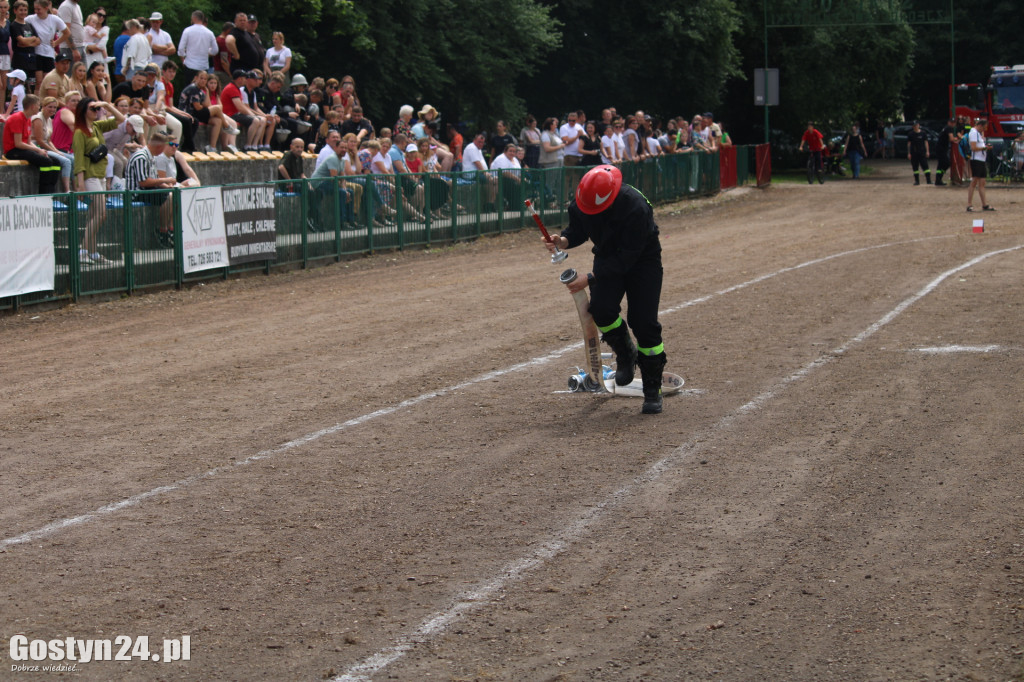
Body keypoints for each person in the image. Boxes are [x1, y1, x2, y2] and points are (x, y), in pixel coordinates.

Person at [543, 165, 666, 414]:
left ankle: (653, 388)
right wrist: (563, 240)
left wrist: (589, 278)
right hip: (607, 256)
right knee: (601, 309)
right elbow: (579, 229)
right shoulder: (583, 201)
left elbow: (628, 258)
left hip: (642, 261)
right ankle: (625, 354)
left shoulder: (636, 207)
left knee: (643, 323)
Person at [71, 96, 121, 262]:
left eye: (97, 109)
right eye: (93, 108)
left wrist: (106, 104)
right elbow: (78, 159)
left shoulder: (97, 126)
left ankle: (92, 252)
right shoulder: (79, 132)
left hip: (99, 174)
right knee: (100, 213)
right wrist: (80, 184)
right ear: (84, 110)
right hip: (89, 176)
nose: (96, 111)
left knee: (95, 215)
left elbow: (121, 119)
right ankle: (82, 252)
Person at [124, 131, 177, 245]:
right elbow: (144, 182)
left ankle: (170, 229)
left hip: (147, 190)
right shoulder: (141, 157)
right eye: (163, 148)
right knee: (168, 197)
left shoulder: (151, 157)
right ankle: (163, 231)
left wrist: (168, 187)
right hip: (136, 193)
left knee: (175, 194)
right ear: (159, 147)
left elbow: (155, 179)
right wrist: (166, 180)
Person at [27, 0, 69, 93]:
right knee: (38, 81)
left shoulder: (54, 19)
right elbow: (20, 23)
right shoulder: (31, 19)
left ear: (46, 8)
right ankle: (37, 104)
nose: (36, 11)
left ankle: (47, 103)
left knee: (48, 81)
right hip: (36, 52)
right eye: (35, 9)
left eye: (39, 9)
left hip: (49, 53)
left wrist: (56, 42)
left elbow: (67, 32)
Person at [31, 94, 71, 190]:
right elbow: (40, 141)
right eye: (50, 107)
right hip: (38, 147)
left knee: (73, 159)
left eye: (54, 107)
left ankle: (76, 189)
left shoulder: (49, 120)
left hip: (46, 146)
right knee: (66, 161)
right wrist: (55, 152)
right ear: (43, 107)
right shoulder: (38, 118)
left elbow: (49, 140)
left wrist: (56, 151)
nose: (52, 109)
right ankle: (67, 190)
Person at [177, 10, 217, 84]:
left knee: (189, 89)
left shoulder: (187, 31)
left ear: (193, 18)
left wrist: (183, 59)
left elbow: (181, 48)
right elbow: (215, 50)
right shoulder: (209, 32)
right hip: (203, 66)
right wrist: (207, 51)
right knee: (202, 89)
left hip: (190, 65)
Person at [966, 117, 994, 212]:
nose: (985, 130)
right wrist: (985, 148)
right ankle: (969, 204)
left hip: (981, 160)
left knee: (982, 182)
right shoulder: (973, 133)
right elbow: (973, 148)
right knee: (974, 181)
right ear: (980, 126)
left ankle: (984, 204)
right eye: (984, 127)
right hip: (976, 160)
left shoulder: (978, 133)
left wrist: (985, 147)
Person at [10, 1, 38, 93]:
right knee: (21, 86)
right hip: (20, 59)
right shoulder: (14, 25)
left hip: (31, 59)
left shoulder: (29, 25)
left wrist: (28, 42)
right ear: (15, 11)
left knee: (32, 85)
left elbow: (38, 40)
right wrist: (31, 39)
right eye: (20, 10)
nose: (23, 12)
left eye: (25, 10)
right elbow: (21, 40)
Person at [906, 120, 931, 185]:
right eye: (914, 125)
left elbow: (926, 142)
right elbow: (909, 144)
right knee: (915, 167)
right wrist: (909, 153)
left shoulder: (923, 133)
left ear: (919, 125)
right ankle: (917, 181)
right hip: (914, 153)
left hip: (922, 152)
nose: (916, 126)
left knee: (925, 167)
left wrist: (927, 151)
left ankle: (928, 180)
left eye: (916, 125)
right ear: (913, 126)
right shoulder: (910, 134)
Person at [934, 117, 957, 187]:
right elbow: (951, 139)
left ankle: (938, 180)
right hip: (941, 148)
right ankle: (939, 178)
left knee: (940, 164)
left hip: (940, 148)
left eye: (954, 122)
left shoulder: (946, 128)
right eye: (951, 122)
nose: (953, 124)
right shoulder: (949, 128)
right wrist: (959, 138)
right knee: (946, 163)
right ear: (949, 122)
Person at [0, 0, 11, 107]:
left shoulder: (8, 23)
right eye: (0, 7)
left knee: (4, 86)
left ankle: (1, 113)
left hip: (5, 54)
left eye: (4, 7)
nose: (2, 10)